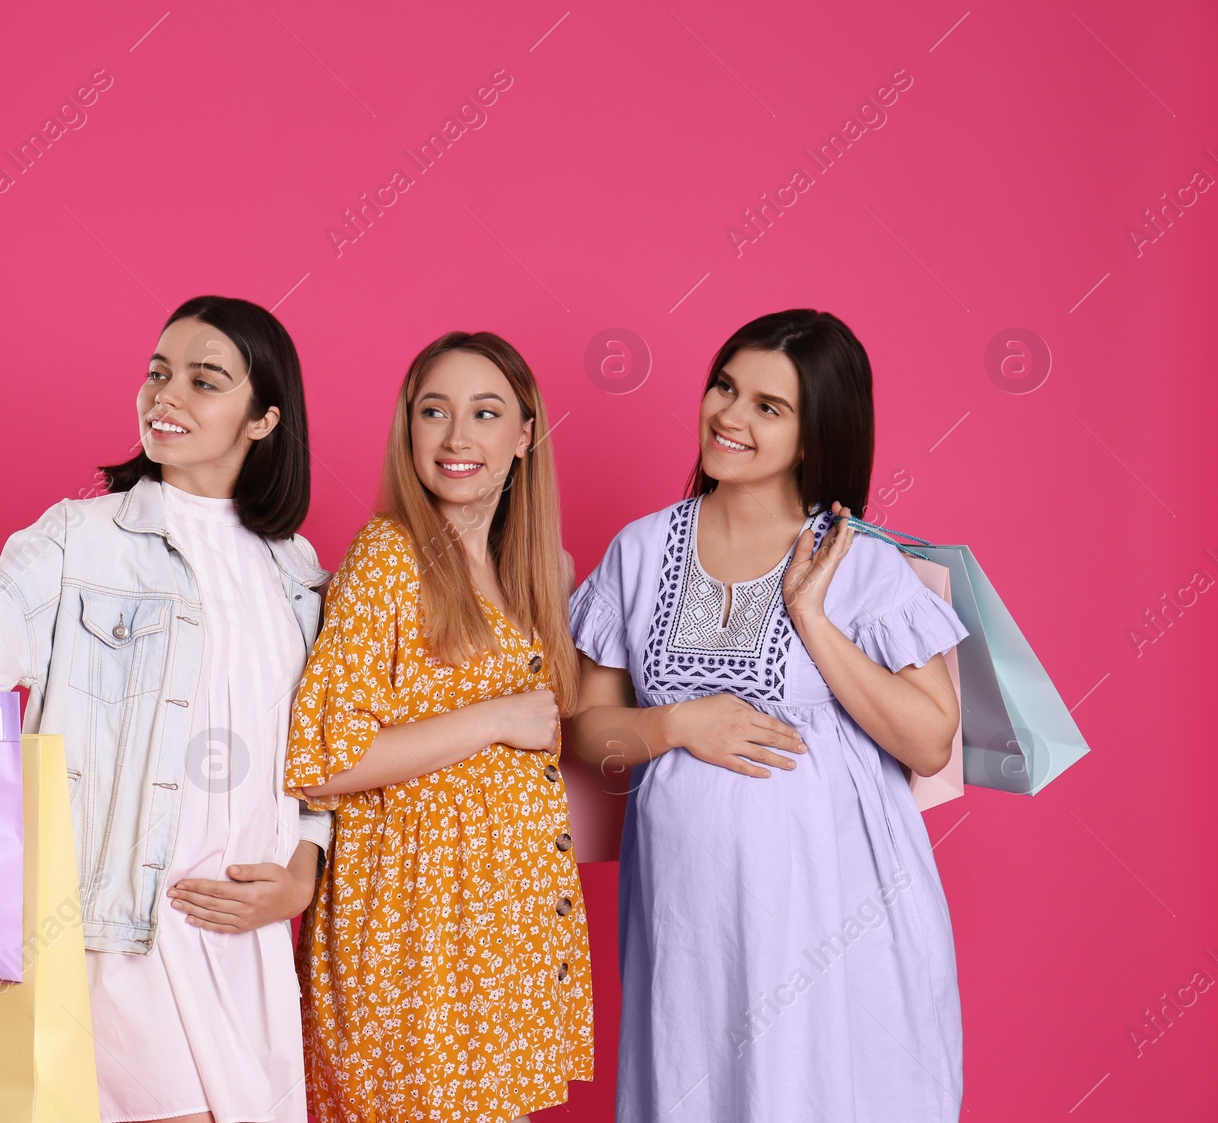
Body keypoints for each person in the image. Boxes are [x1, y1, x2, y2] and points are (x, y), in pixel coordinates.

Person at [0, 294, 332, 1123]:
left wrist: (302, 871)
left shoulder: (296, 571)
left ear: (263, 419)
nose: (166, 395)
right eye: (157, 372)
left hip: (248, 951)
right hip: (111, 941)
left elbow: (324, 751)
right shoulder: (80, 536)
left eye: (203, 380)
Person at [565, 309, 967, 1122]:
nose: (729, 416)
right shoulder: (639, 551)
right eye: (725, 387)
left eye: (767, 406)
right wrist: (674, 725)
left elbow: (930, 740)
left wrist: (813, 617)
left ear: (818, 432)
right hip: (691, 919)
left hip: (834, 921)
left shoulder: (864, 563)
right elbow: (587, 728)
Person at [285, 332, 595, 1123]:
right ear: (409, 429)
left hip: (503, 928)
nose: (458, 437)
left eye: (485, 413)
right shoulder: (389, 557)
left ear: (524, 434)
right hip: (411, 927)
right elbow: (326, 758)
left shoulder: (533, 569)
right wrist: (497, 717)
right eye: (435, 412)